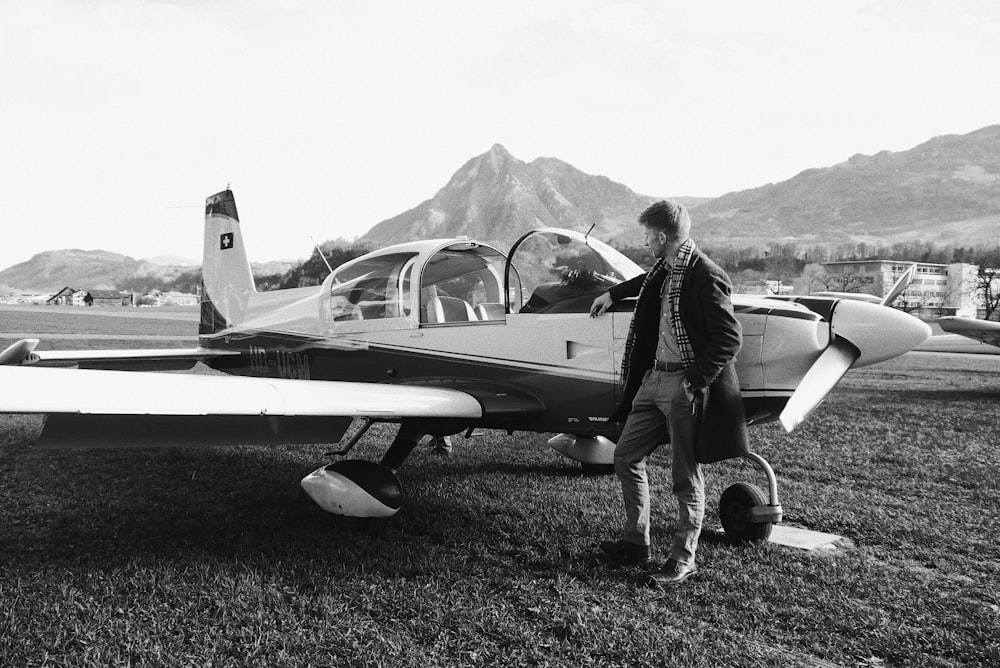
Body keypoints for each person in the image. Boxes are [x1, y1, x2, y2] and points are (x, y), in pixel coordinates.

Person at [589, 200, 748, 587]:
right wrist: (612, 294)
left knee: (684, 473)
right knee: (625, 455)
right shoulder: (665, 270)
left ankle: (682, 558)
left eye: (647, 236)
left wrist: (693, 381)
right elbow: (644, 281)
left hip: (683, 384)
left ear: (663, 237)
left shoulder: (705, 274)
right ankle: (636, 543)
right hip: (653, 380)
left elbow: (729, 338)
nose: (645, 242)